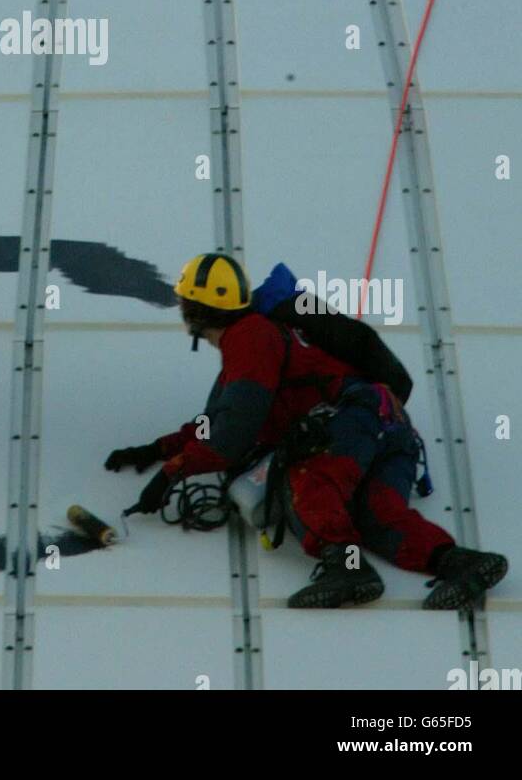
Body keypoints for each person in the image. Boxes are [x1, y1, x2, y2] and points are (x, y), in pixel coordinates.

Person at [106, 252, 508, 612]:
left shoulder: (250, 336)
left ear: (190, 311)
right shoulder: (250, 349)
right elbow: (220, 419)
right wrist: (156, 448)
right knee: (377, 514)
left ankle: (349, 570)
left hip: (355, 417)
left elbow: (234, 428)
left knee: (309, 481)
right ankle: (461, 563)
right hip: (389, 424)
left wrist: (172, 470)